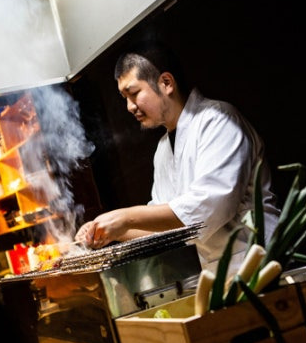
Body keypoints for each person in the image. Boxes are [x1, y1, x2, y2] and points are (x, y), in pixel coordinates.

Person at [75, 41, 280, 273]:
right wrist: (109, 231)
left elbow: (208, 208)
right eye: (125, 98)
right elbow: (164, 226)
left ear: (166, 83)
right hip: (219, 273)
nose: (129, 107)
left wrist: (124, 218)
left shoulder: (218, 120)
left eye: (134, 93)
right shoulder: (163, 149)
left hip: (261, 263)